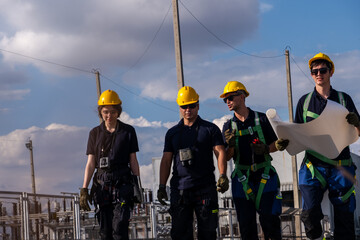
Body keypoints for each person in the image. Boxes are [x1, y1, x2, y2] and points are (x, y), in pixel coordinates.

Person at [276, 53, 360, 240]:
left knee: (345, 215)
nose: (318, 74)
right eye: (314, 72)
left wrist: (357, 123)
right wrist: (283, 142)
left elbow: (358, 132)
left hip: (340, 165)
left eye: (323, 70)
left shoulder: (344, 99)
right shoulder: (304, 102)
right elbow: (297, 132)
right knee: (309, 213)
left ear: (331, 72)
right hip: (313, 166)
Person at [157, 86, 229, 240]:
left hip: (205, 189)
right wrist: (162, 186)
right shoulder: (172, 133)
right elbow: (166, 160)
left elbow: (220, 152)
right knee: (180, 234)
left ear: (198, 105)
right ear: (179, 107)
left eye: (191, 105)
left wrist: (223, 175)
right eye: (184, 106)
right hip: (180, 190)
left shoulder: (210, 129)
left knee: (208, 233)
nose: (188, 110)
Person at [220, 81, 282, 240]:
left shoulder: (262, 119)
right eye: (225, 99)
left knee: (271, 224)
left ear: (242, 97)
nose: (228, 101)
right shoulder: (228, 126)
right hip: (242, 179)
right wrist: (230, 146)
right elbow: (226, 157)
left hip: (265, 176)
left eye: (231, 97)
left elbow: (278, 143)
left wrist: (267, 149)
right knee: (246, 228)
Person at [80, 89, 142, 240]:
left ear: (118, 112)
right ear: (100, 112)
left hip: (122, 185)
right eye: (106, 112)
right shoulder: (94, 133)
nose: (109, 116)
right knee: (105, 232)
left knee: (120, 228)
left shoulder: (128, 132)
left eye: (113, 112)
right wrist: (84, 189)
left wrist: (137, 185)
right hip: (102, 186)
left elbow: (133, 160)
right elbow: (90, 163)